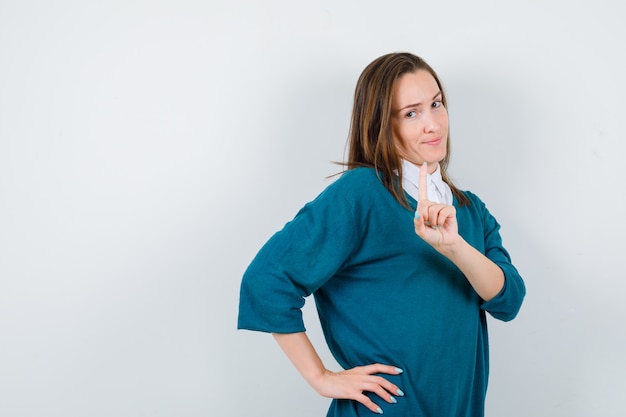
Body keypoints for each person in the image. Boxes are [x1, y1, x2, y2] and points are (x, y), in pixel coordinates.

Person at [237, 52, 525, 417]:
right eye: (411, 113)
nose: (432, 124)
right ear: (382, 126)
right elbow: (266, 279)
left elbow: (509, 300)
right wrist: (321, 377)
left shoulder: (470, 210)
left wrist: (456, 248)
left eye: (436, 104)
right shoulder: (361, 193)